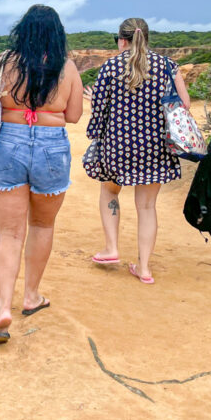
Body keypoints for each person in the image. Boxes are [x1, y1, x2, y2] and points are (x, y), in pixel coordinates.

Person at [0, 5, 83, 345]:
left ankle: (2, 308)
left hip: (9, 143)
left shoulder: (3, 63)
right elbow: (73, 115)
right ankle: (31, 295)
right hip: (51, 146)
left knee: (9, 233)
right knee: (42, 225)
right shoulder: (67, 67)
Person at [85, 18, 190, 284]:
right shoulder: (168, 66)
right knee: (146, 207)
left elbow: (99, 111)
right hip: (155, 147)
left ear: (122, 40)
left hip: (117, 145)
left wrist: (95, 136)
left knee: (109, 190)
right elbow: (184, 104)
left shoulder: (110, 66)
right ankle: (144, 269)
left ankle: (111, 248)